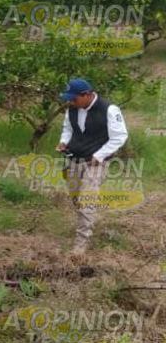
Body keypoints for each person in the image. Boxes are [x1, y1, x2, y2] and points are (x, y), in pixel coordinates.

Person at [56, 78, 128, 255]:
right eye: (69, 99)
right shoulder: (72, 109)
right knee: (76, 198)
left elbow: (119, 136)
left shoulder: (109, 110)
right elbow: (68, 129)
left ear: (87, 95)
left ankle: (82, 241)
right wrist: (63, 142)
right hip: (74, 160)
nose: (71, 102)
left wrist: (99, 156)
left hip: (95, 162)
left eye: (74, 99)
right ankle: (84, 223)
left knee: (86, 200)